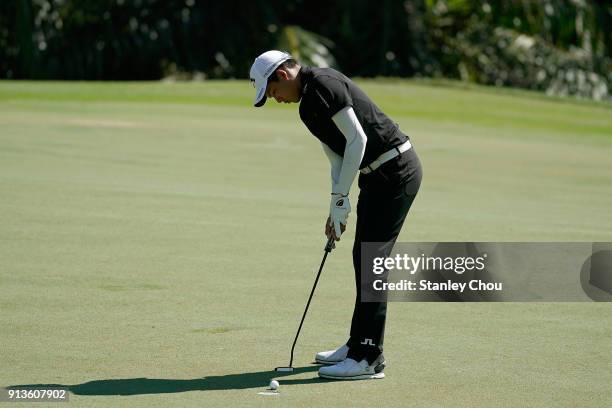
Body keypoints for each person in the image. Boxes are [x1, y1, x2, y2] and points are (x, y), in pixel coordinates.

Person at [250, 50, 422, 380]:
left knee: (373, 260)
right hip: (375, 175)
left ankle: (369, 357)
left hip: (397, 170)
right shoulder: (306, 108)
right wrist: (336, 205)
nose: (275, 100)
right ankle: (358, 343)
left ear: (282, 77)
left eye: (272, 93)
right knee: (364, 257)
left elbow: (357, 139)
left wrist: (344, 194)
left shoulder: (324, 84)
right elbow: (337, 157)